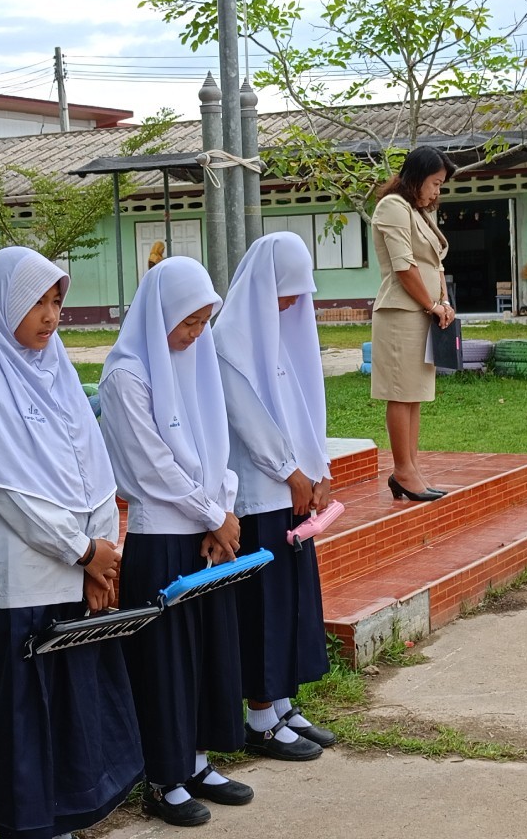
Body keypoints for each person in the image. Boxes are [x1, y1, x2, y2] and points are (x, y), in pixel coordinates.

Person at [0, 246, 141, 839]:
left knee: (75, 712)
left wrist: (101, 556)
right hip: (27, 582)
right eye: (35, 303)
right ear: (1, 307)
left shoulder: (60, 373)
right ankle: (31, 826)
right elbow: (10, 496)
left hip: (81, 573)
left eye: (56, 301)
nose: (51, 316)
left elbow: (96, 472)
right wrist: (84, 552)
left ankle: (67, 820)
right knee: (28, 716)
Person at [98, 256, 251, 828]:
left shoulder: (196, 361)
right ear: (159, 313)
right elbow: (152, 467)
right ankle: (164, 778)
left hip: (206, 537)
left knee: (208, 655)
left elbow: (219, 444)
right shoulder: (126, 376)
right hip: (162, 541)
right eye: (187, 322)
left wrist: (223, 510)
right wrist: (213, 514)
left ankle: (198, 761)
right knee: (166, 665)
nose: (195, 334)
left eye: (203, 322)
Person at [212, 233, 334, 763]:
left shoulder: (279, 335)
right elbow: (251, 422)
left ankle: (282, 703)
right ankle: (260, 717)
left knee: (291, 605)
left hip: (294, 495)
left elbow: (305, 407)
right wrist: (291, 471)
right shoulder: (229, 340)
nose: (292, 303)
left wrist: (319, 470)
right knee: (263, 608)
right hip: (260, 496)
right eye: (287, 292)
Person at [370, 145, 457, 502]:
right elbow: (404, 266)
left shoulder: (418, 212)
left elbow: (435, 263)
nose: (437, 192)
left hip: (422, 313)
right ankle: (403, 470)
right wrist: (432, 304)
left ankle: (411, 468)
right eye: (435, 183)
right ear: (417, 177)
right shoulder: (393, 207)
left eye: (440, 185)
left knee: (415, 395)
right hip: (400, 313)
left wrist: (444, 303)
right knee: (401, 393)